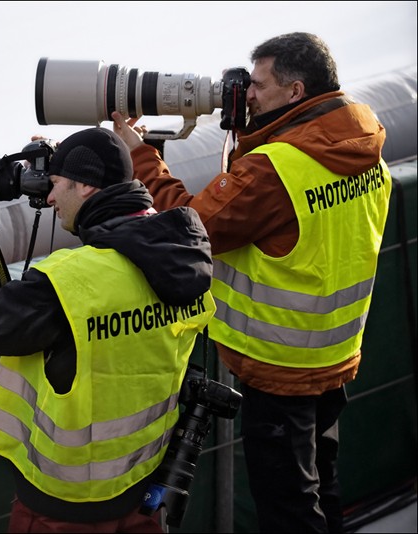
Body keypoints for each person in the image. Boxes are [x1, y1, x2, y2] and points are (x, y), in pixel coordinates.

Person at [111, 32, 392, 533]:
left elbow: (190, 227)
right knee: (320, 485)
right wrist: (253, 133)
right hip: (333, 355)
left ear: (296, 91)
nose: (248, 94)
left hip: (279, 368)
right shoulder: (360, 140)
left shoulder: (276, 170)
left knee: (287, 507)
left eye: (258, 86)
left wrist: (139, 155)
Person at [0, 127, 216, 532]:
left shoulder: (74, 281)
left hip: (63, 507)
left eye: (55, 184)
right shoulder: (181, 252)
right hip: (141, 489)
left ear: (86, 185)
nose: (49, 198)